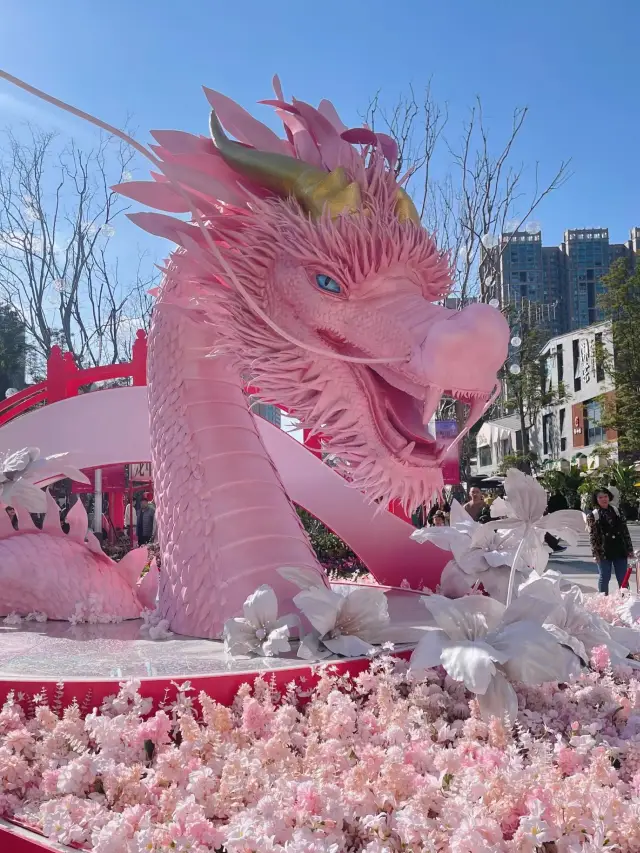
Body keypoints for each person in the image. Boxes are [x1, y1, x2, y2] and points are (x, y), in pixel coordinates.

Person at [586, 488, 633, 595]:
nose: (604, 499)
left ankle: (626, 600)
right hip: (603, 551)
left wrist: (629, 548)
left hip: (619, 549)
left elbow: (625, 531)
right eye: (600, 497)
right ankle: (603, 600)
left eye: (606, 496)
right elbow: (592, 536)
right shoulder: (593, 515)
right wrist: (595, 554)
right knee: (604, 577)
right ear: (596, 499)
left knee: (623, 577)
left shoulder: (617, 511)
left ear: (609, 497)